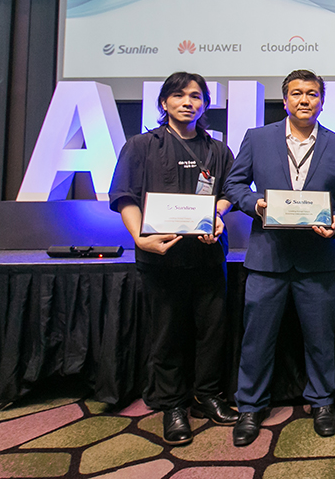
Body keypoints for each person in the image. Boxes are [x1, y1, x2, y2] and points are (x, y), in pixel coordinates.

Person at [224, 69, 335, 446]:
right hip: (267, 257)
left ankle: (322, 402)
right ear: (285, 100)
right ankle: (250, 406)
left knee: (320, 338)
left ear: (322, 101)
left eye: (312, 93)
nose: (304, 99)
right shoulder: (258, 138)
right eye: (297, 93)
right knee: (257, 339)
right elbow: (234, 185)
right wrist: (257, 204)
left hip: (318, 258)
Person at [108, 71, 238, 445]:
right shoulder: (140, 146)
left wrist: (218, 214)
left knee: (211, 331)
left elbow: (229, 192)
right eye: (179, 95)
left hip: (208, 256)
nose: (187, 102)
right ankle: (173, 405)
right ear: (164, 102)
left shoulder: (218, 150)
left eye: (196, 96)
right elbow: (124, 196)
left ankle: (207, 395)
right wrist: (139, 238)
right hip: (160, 258)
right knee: (166, 334)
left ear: (205, 104)